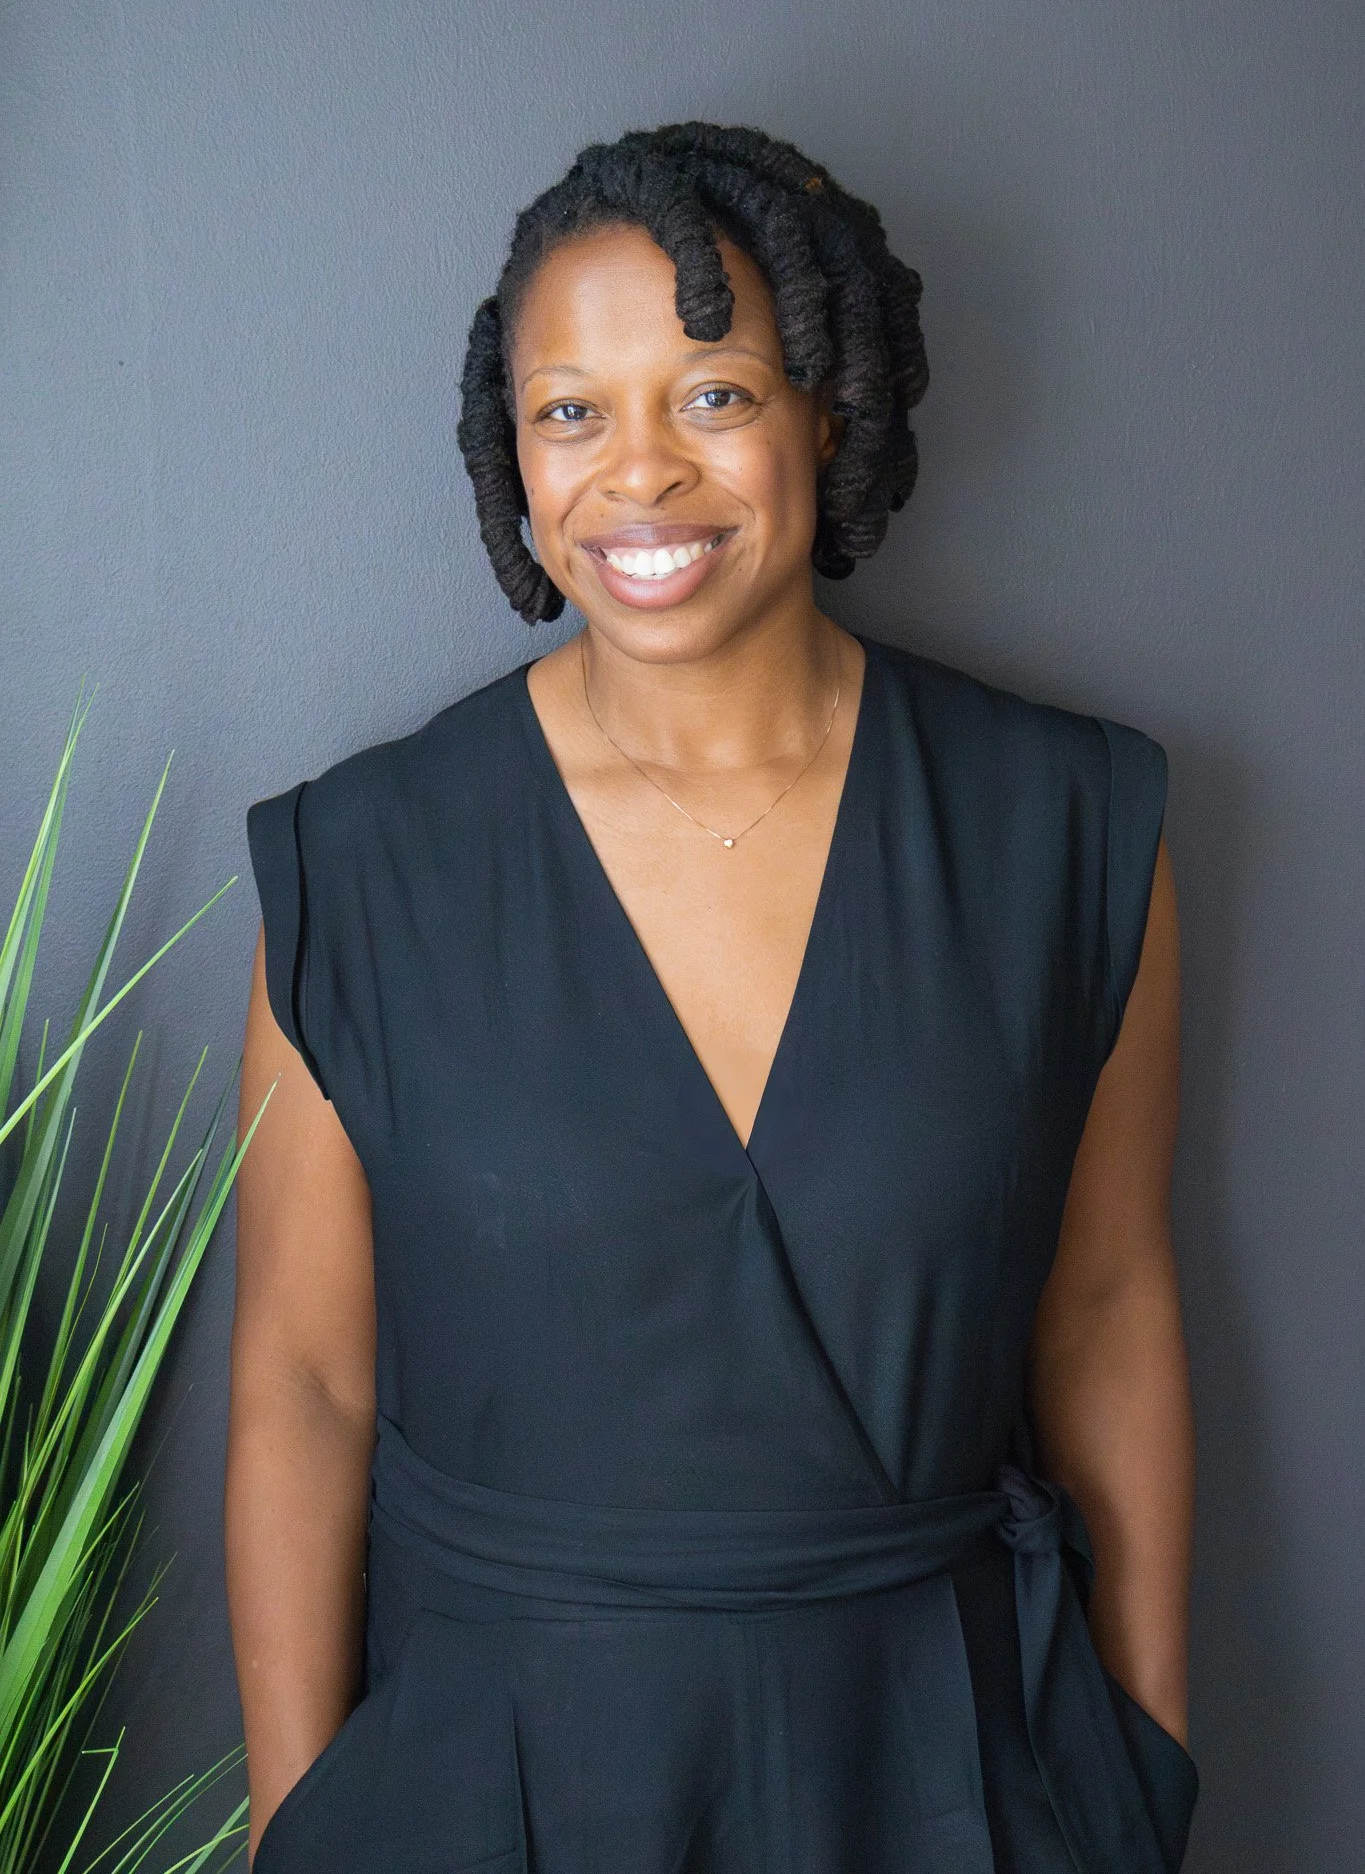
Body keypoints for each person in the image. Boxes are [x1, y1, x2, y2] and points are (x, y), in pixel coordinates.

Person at [227, 122, 1199, 1873]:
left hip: (955, 1763)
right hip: (492, 1787)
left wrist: (1143, 1760)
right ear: (510, 452)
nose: (639, 475)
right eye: (572, 410)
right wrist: (299, 1828)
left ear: (832, 406)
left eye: (717, 394)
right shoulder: (365, 860)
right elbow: (303, 1378)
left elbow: (1108, 1305)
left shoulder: (1065, 824)